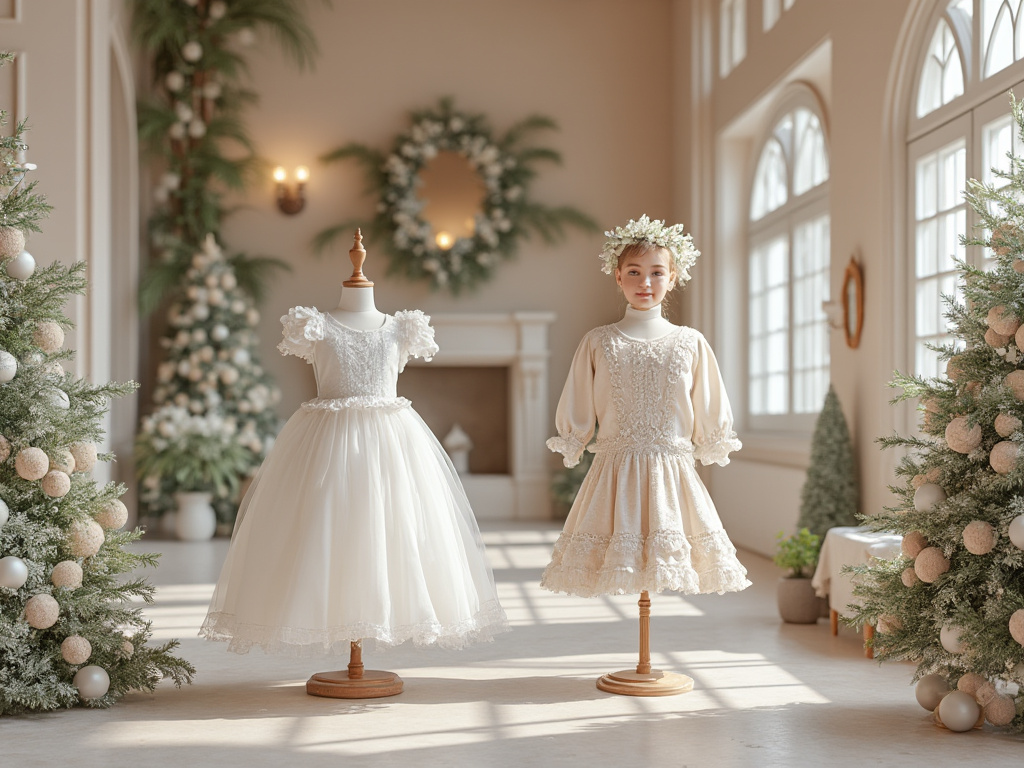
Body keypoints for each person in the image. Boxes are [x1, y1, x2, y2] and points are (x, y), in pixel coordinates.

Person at [201, 233, 507, 656]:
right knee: (325, 533)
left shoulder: (403, 327)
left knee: (392, 531)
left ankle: (373, 624)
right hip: (328, 446)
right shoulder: (314, 324)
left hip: (391, 447)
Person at [542, 215, 750, 599]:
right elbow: (578, 401)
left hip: (672, 478)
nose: (645, 283)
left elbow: (709, 405)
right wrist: (574, 437)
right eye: (634, 272)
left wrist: (711, 437)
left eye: (657, 273)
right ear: (618, 276)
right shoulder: (597, 342)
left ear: (673, 278)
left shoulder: (691, 343)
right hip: (614, 476)